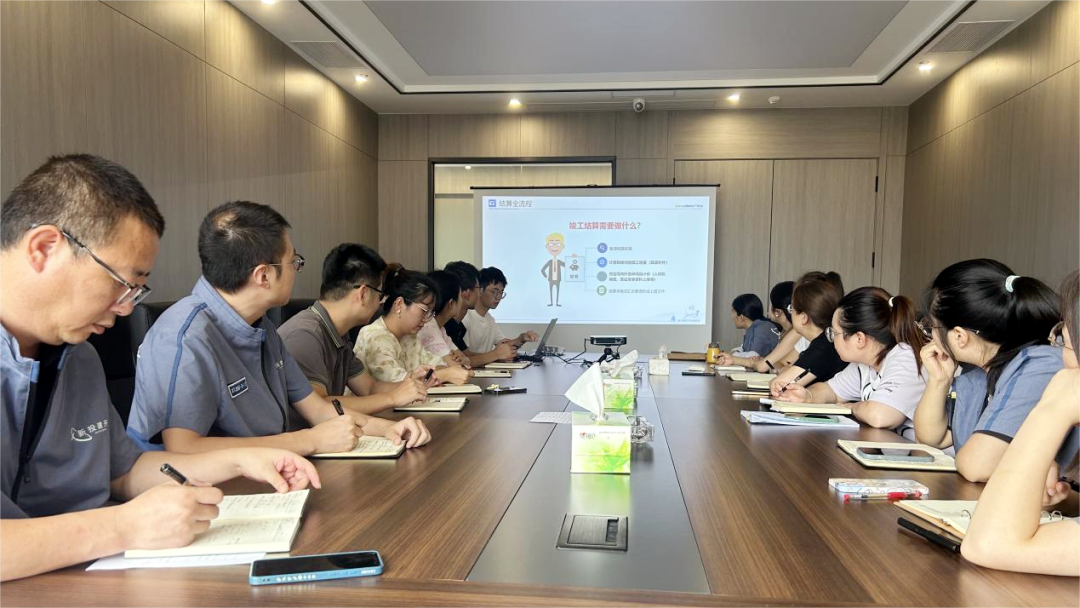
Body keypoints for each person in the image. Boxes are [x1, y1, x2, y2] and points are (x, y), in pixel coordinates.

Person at [0, 155, 319, 582]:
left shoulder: (78, 356)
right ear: (44, 248)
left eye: (137, 289)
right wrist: (124, 526)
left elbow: (123, 472)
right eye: (122, 283)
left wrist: (244, 460)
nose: (125, 307)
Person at [128, 202, 430, 455]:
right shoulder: (184, 337)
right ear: (263, 276)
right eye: (293, 261)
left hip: (268, 471)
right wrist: (307, 441)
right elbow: (183, 448)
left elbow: (318, 409)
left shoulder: (263, 328)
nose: (297, 269)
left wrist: (388, 429)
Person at [962, 269, 1080, 575]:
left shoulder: (1036, 364)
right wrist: (1067, 502)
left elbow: (988, 544)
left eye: (1063, 342)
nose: (1059, 360)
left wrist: (1054, 406)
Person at [914, 259, 1063, 482]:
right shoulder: (977, 374)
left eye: (931, 327)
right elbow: (931, 438)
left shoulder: (1040, 364)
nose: (931, 336)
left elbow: (977, 466)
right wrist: (939, 380)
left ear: (959, 336)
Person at [277, 243, 431, 416]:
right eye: (379, 295)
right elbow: (320, 406)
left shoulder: (339, 333)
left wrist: (409, 385)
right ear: (363, 294)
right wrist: (392, 398)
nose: (379, 303)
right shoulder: (305, 335)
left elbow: (369, 388)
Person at [776, 287, 927, 434]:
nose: (831, 340)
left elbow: (880, 416)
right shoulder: (866, 364)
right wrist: (808, 396)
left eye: (835, 333)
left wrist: (852, 407)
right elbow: (830, 391)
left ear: (859, 339)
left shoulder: (905, 356)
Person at [354, 265, 473, 385]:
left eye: (430, 313)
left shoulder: (410, 337)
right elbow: (396, 382)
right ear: (399, 304)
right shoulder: (375, 336)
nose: (426, 320)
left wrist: (448, 372)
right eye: (424, 311)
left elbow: (439, 365)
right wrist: (446, 374)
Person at [770, 271, 848, 396]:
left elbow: (778, 386)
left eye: (792, 309)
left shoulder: (823, 346)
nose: (790, 313)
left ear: (804, 317)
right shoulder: (824, 341)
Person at [444, 261, 518, 367]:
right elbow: (460, 364)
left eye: (501, 292)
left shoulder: (458, 327)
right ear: (466, 293)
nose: (479, 293)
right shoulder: (446, 325)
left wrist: (498, 355)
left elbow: (465, 357)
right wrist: (496, 354)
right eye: (478, 288)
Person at [718, 281, 803, 373]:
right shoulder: (784, 331)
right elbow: (774, 364)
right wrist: (762, 361)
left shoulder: (795, 333)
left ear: (778, 312)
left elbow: (769, 365)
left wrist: (760, 362)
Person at [463, 266, 539, 356]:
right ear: (480, 290)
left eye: (501, 292)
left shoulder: (489, 319)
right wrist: (495, 355)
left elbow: (504, 345)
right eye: (494, 291)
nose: (498, 297)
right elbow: (465, 356)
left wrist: (522, 338)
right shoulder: (466, 317)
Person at [417, 270, 472, 368]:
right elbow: (457, 369)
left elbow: (466, 361)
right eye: (460, 296)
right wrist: (458, 362)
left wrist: (461, 361)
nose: (462, 301)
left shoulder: (440, 328)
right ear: (451, 303)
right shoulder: (428, 327)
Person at [727, 293, 780, 359]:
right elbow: (744, 348)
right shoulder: (758, 327)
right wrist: (735, 351)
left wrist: (732, 355)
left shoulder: (760, 330)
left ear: (741, 317)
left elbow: (753, 356)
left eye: (733, 312)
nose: (732, 316)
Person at [540, 232, 566, 307]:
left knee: (558, 291)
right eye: (551, 244)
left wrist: (573, 260)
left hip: (558, 279)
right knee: (550, 291)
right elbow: (542, 270)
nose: (554, 246)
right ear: (546, 246)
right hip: (551, 279)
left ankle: (557, 303)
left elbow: (566, 266)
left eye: (558, 244)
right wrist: (546, 276)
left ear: (563, 246)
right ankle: (551, 303)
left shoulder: (559, 262)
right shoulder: (549, 262)